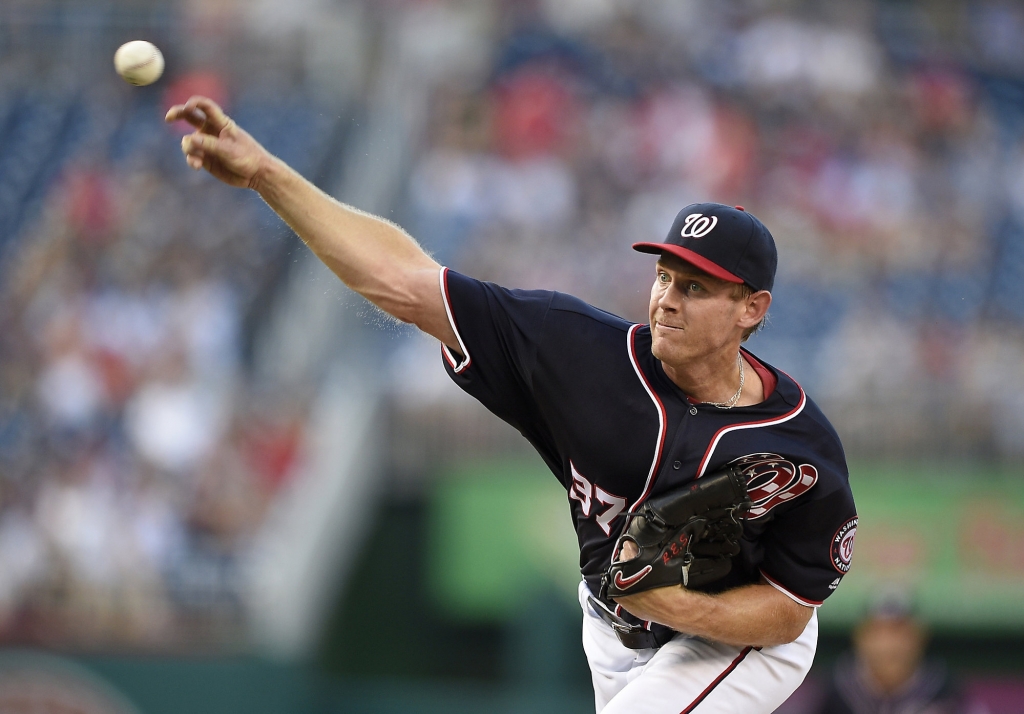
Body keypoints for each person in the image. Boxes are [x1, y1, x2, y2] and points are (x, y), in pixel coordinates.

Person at [167, 96, 858, 714]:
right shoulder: (577, 351)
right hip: (612, 629)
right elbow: (402, 281)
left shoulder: (800, 446)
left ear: (752, 308)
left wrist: (678, 604)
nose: (668, 299)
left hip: (738, 635)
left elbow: (790, 613)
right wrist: (265, 175)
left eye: (698, 288)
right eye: (665, 275)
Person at [815, 597, 967, 714]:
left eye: (898, 631)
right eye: (878, 631)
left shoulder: (943, 688)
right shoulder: (837, 687)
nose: (889, 644)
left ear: (920, 636)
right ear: (860, 636)